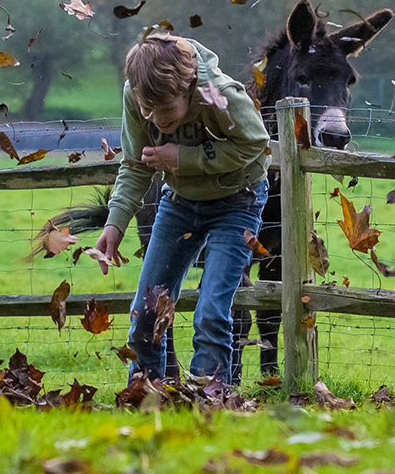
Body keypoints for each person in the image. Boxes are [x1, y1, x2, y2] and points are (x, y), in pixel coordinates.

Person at [95, 33, 271, 386]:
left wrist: (183, 158)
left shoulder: (221, 95)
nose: (154, 119)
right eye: (147, 110)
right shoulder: (137, 94)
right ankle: (144, 393)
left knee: (210, 312)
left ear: (188, 86)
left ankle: (210, 396)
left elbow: (256, 145)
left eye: (165, 109)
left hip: (237, 201)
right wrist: (115, 223)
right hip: (179, 202)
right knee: (147, 308)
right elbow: (135, 164)